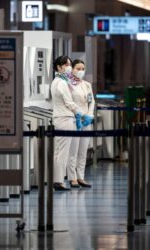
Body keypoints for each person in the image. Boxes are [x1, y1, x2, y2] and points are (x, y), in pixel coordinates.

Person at [50, 56, 83, 191]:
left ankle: (58, 180)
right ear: (59, 67)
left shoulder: (58, 81)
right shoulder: (61, 82)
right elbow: (69, 102)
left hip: (61, 118)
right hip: (65, 118)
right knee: (62, 152)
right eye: (67, 64)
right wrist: (80, 112)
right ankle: (58, 181)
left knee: (59, 151)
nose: (69, 67)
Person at [67, 59, 95, 188]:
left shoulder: (87, 85)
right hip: (74, 120)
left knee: (83, 150)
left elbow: (91, 101)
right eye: (78, 68)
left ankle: (81, 177)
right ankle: (72, 178)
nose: (81, 71)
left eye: (83, 69)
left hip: (86, 121)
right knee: (73, 151)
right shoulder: (67, 84)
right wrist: (79, 115)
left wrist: (89, 115)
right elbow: (68, 103)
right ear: (72, 69)